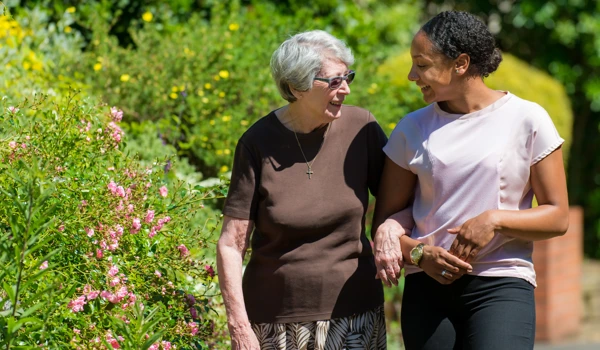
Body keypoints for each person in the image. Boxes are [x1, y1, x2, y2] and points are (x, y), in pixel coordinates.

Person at [372, 10, 569, 350]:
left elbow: (557, 216)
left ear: (460, 63)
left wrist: (494, 220)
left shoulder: (527, 118)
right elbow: (386, 222)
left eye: (422, 65)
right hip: (427, 290)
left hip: (502, 285)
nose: (411, 75)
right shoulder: (412, 128)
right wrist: (419, 255)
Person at [217, 30, 392, 349]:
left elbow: (398, 201)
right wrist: (239, 327)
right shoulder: (257, 144)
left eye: (348, 77)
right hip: (275, 323)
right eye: (334, 81)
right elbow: (232, 243)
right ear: (296, 87)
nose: (347, 89)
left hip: (353, 315)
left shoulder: (361, 129)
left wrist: (391, 232)